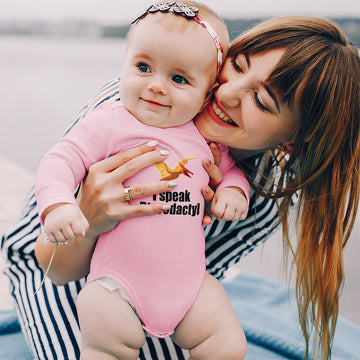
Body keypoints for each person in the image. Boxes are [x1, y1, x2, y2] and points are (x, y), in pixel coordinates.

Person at [2, 14, 360, 360]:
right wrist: (90, 214)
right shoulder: (138, 101)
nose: (227, 94)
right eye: (237, 65)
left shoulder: (263, 198)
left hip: (153, 287)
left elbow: (187, 288)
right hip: (51, 262)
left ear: (292, 142)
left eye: (262, 101)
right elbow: (56, 268)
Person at [34, 2, 249, 359]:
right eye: (143, 67)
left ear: (207, 93)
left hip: (189, 286)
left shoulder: (200, 137)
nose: (156, 86)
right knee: (106, 346)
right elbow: (60, 159)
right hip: (116, 285)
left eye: (178, 79)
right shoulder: (110, 123)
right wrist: (58, 205)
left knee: (226, 343)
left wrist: (233, 190)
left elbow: (231, 171)